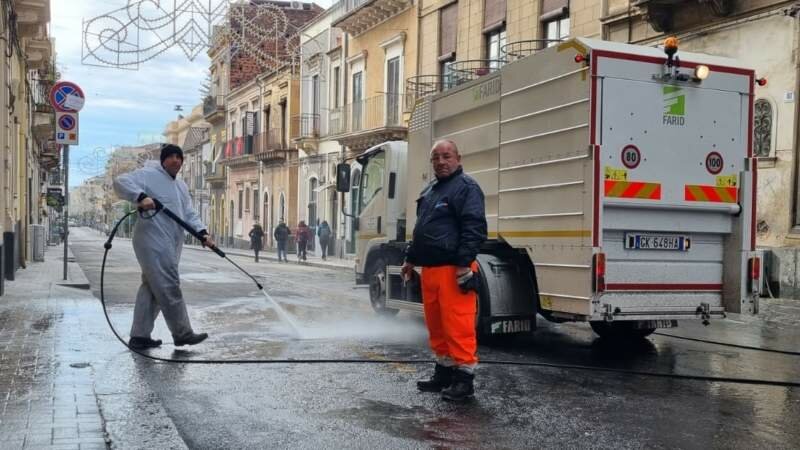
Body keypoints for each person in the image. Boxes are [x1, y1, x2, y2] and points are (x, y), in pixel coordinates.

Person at [401, 139, 487, 402]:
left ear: (458, 158)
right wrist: (410, 259)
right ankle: (444, 373)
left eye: (446, 156)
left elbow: (474, 228)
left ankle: (464, 380)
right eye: (436, 158)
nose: (441, 161)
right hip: (431, 271)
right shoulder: (432, 190)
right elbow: (421, 230)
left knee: (458, 325)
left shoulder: (467, 188)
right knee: (437, 327)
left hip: (453, 269)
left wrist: (464, 265)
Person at [113, 144, 215, 350]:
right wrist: (141, 197)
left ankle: (139, 336)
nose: (176, 160)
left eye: (179, 157)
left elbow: (188, 213)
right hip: (151, 241)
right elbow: (120, 182)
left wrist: (203, 233)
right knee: (169, 284)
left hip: (170, 242)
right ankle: (182, 333)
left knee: (152, 289)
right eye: (171, 157)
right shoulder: (148, 174)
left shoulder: (181, 186)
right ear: (162, 160)